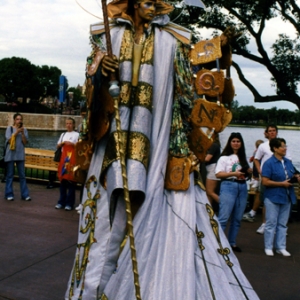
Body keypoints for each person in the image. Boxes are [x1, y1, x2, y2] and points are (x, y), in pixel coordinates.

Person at [65, 1, 259, 299]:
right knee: (104, 227)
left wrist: (217, 55)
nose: (154, 7)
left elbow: (188, 91)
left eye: (159, 2)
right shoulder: (108, 35)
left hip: (157, 153)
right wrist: (100, 69)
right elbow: (89, 90)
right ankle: (92, 291)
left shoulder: (175, 39)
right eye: (147, 2)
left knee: (145, 224)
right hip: (112, 147)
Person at [262, 138, 299, 256]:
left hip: (287, 196)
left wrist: (297, 177)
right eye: (282, 146)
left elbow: (293, 173)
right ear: (275, 149)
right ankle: (268, 247)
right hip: (273, 196)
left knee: (283, 224)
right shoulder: (268, 163)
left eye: (285, 146)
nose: (285, 148)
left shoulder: (288, 162)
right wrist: (281, 184)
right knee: (271, 223)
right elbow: (265, 182)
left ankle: (281, 247)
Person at [215, 132, 252, 253]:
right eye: (233, 141)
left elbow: (245, 174)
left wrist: (249, 172)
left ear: (241, 144)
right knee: (224, 217)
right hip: (228, 185)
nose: (236, 144)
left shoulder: (243, 158)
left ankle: (232, 242)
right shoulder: (224, 158)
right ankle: (217, 243)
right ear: (230, 143)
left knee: (237, 218)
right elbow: (218, 174)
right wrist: (233, 173)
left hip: (242, 187)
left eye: (238, 141)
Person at [254, 125, 292, 234]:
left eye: (274, 130)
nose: (272, 132)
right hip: (267, 176)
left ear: (277, 132)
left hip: (280, 176)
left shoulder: (282, 146)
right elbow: (256, 159)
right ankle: (264, 224)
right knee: (266, 201)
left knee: (281, 201)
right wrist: (259, 170)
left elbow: (288, 160)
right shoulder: (263, 146)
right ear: (266, 133)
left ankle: (279, 226)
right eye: (270, 131)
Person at [4, 113, 31, 201]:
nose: (19, 121)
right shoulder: (10, 128)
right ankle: (9, 194)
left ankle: (25, 194)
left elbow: (25, 142)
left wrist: (22, 133)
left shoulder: (25, 130)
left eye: (20, 119)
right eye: (17, 119)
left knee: (22, 176)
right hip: (11, 154)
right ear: (14, 120)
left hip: (20, 155)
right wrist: (17, 132)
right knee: (10, 175)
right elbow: (8, 139)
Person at [55, 118, 79, 211]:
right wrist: (61, 144)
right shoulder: (63, 134)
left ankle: (69, 203)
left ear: (73, 125)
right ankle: (61, 201)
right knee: (63, 182)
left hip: (72, 161)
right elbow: (57, 146)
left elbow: (79, 147)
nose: (68, 125)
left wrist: (72, 144)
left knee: (71, 182)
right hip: (64, 160)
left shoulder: (77, 135)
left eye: (70, 123)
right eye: (67, 123)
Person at [242, 139, 264, 222]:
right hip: (259, 175)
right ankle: (252, 212)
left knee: (259, 193)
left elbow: (255, 164)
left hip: (258, 175)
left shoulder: (258, 153)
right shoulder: (259, 153)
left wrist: (255, 174)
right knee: (259, 192)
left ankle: (252, 212)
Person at [205, 136, 221, 205]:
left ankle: (225, 205)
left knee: (210, 192)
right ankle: (209, 211)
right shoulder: (214, 145)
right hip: (211, 169)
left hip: (213, 169)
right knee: (209, 193)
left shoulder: (214, 145)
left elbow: (207, 159)